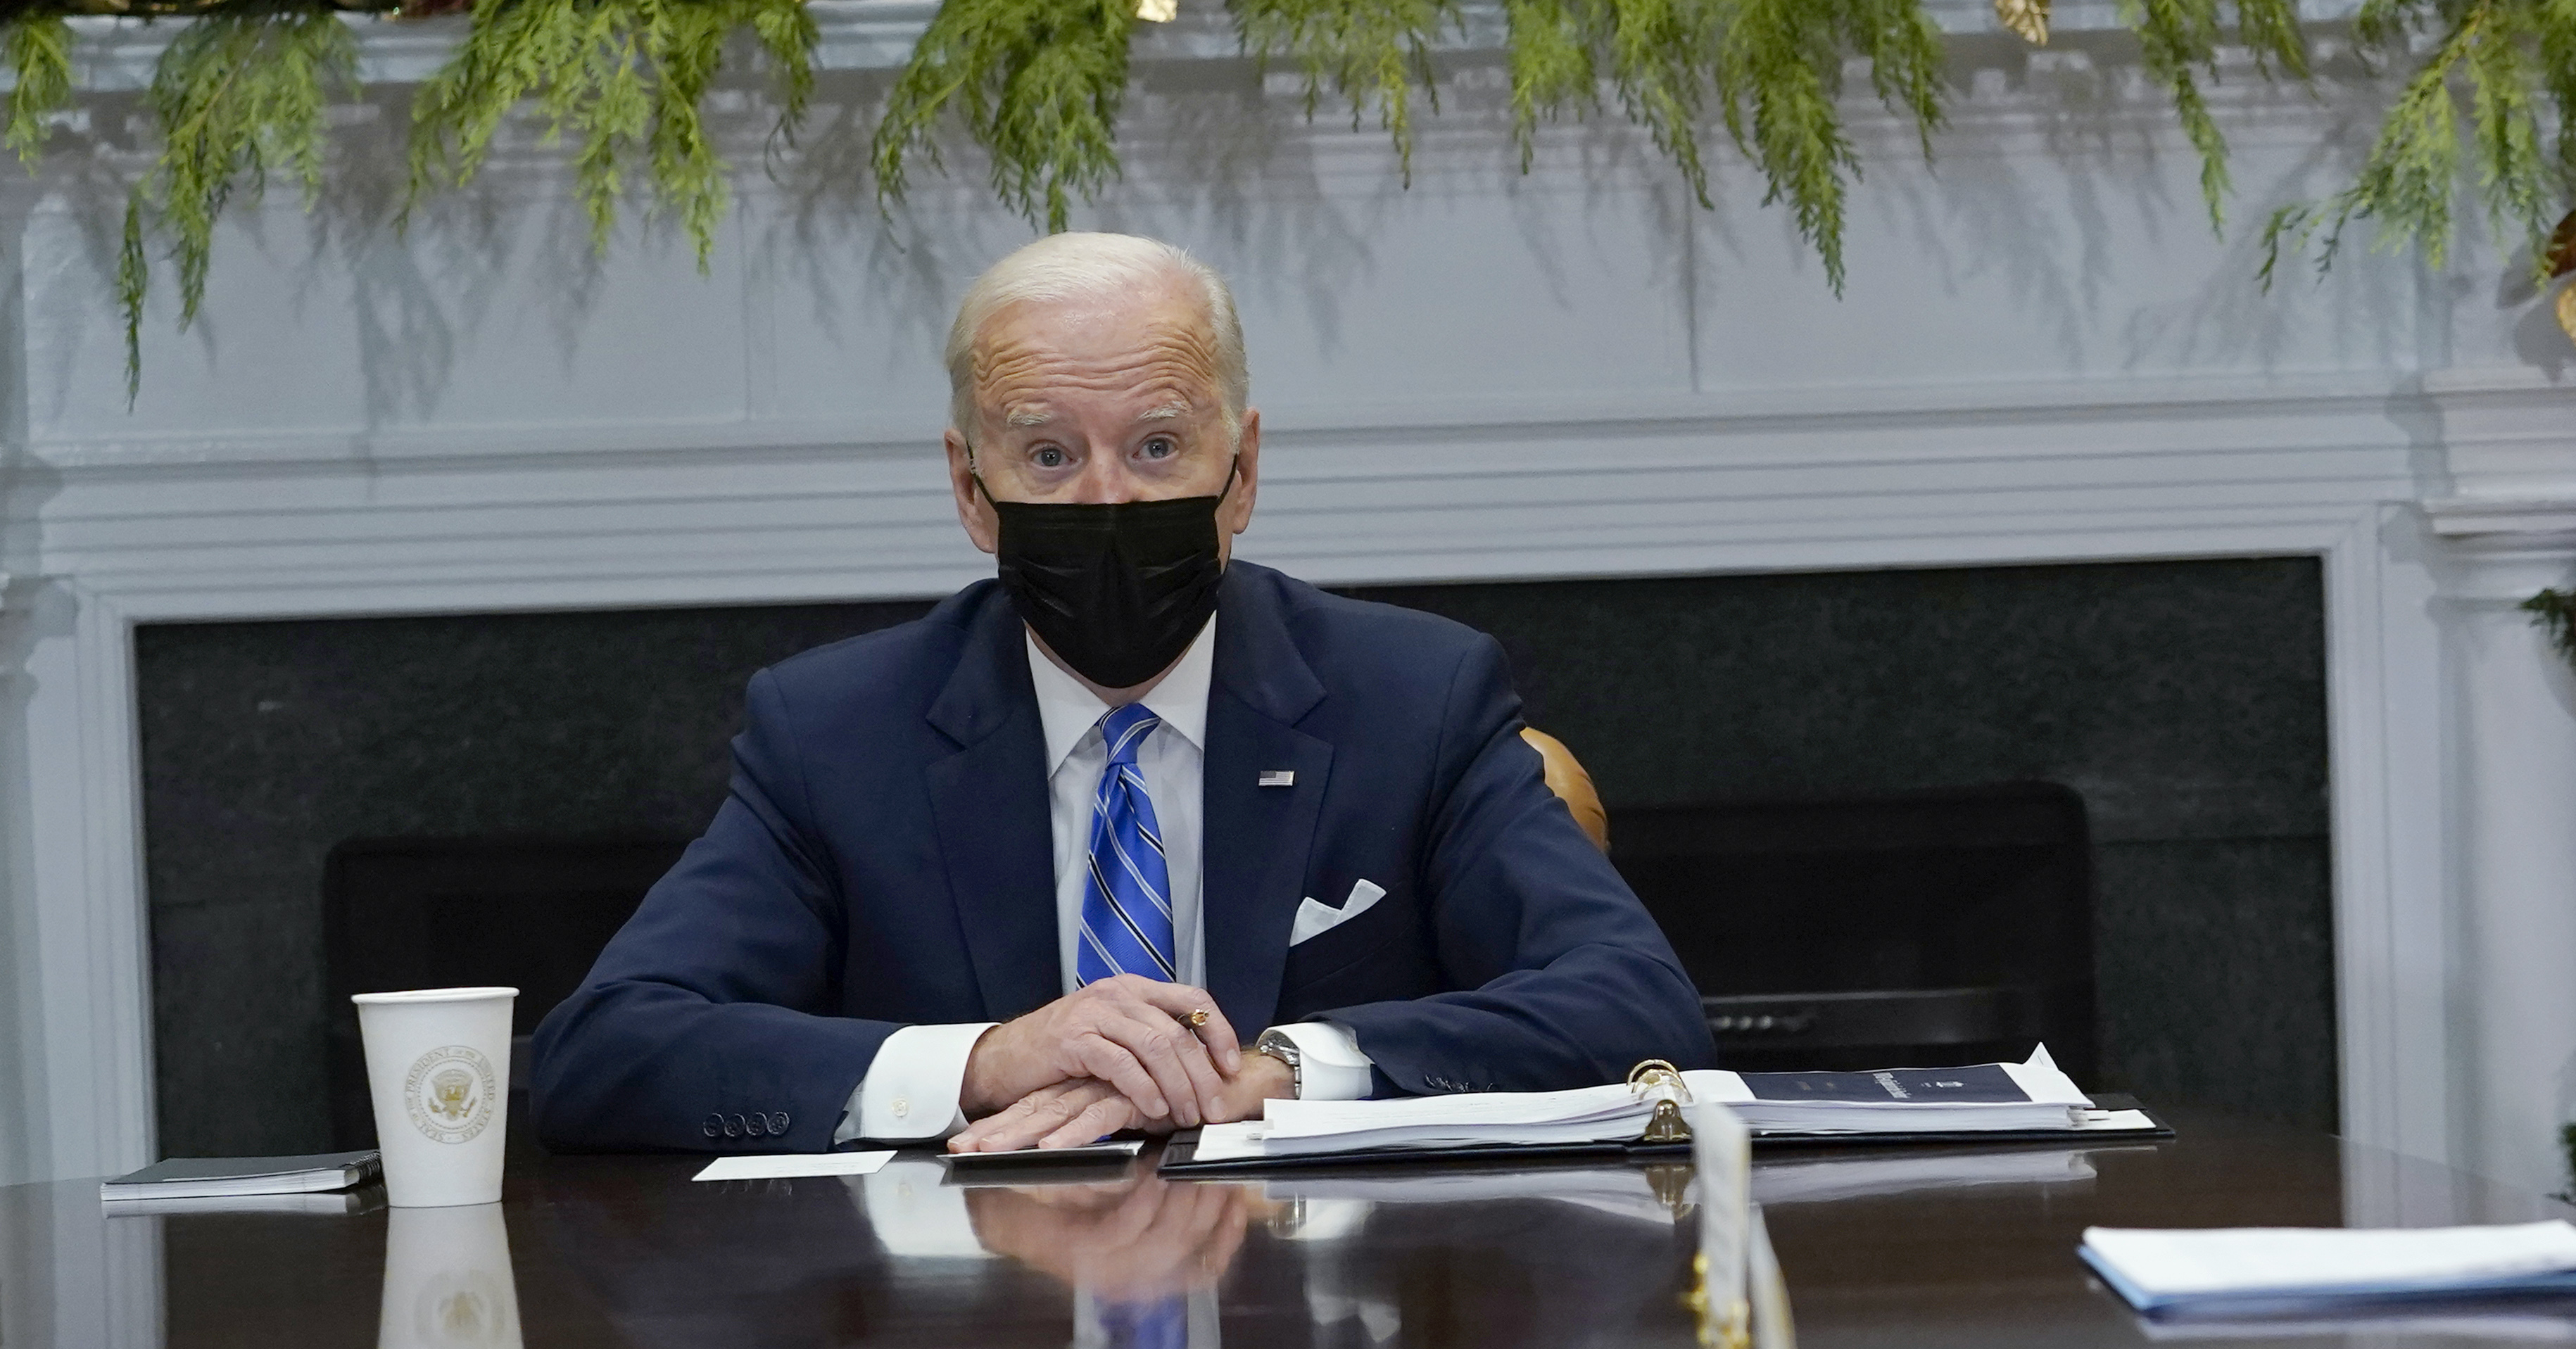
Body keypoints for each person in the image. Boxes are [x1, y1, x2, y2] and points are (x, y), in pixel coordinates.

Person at [531, 232, 1710, 1156]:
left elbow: (1635, 1005)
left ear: (1241, 473)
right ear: (970, 488)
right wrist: (986, 1062)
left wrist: (1287, 1069)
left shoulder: (1413, 698)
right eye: (1047, 455)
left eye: (1157, 447)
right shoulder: (836, 733)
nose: (1106, 505)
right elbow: (604, 1050)